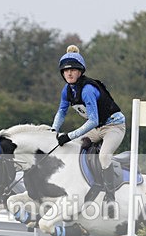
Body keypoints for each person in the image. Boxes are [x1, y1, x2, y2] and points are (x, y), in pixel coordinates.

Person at [51, 45, 126, 206]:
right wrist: (53, 131)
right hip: (96, 129)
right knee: (73, 148)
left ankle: (110, 196)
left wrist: (69, 136)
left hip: (114, 126)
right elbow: (61, 112)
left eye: (73, 70)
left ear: (80, 72)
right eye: (65, 70)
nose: (69, 73)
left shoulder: (87, 90)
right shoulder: (67, 90)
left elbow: (93, 120)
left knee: (104, 156)